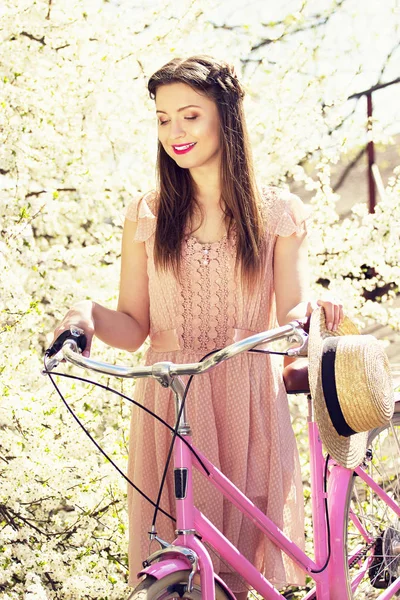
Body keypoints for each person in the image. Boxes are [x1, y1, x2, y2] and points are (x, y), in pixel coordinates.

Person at [52, 55, 343, 599]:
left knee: (240, 566)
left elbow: (291, 313)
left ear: (225, 116)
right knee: (176, 557)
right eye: (163, 119)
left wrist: (310, 312)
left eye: (189, 116)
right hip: (168, 400)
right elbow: (133, 324)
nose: (174, 132)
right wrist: (86, 315)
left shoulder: (276, 212)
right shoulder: (148, 212)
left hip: (245, 398)